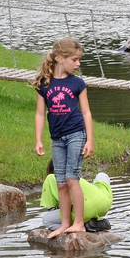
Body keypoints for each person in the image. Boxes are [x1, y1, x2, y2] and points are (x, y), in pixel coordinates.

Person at [33, 37, 95, 238]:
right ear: (60, 58)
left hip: (76, 133)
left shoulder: (78, 83)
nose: (78, 64)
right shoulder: (45, 83)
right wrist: (38, 139)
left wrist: (90, 140)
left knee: (71, 179)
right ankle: (65, 223)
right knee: (60, 182)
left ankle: (79, 223)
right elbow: (40, 114)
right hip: (57, 137)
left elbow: (86, 112)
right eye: (74, 60)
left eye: (79, 60)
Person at [39, 160, 112, 232]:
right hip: (104, 203)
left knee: (46, 220)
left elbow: (51, 208)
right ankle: (94, 221)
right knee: (102, 175)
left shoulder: (50, 178)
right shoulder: (74, 176)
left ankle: (85, 226)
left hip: (84, 211)